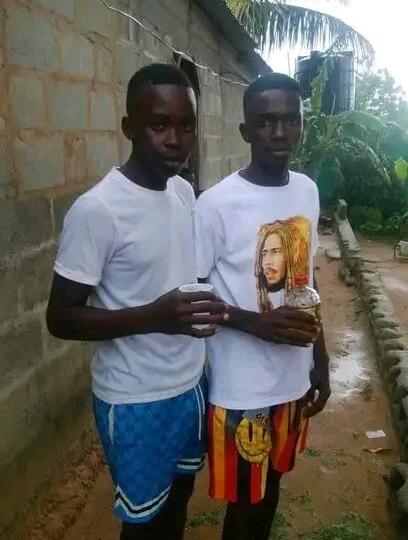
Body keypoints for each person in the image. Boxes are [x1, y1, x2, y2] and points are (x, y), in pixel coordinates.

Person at [46, 63, 227, 540]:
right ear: (129, 127)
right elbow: (61, 318)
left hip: (190, 384)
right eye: (159, 125)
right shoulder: (98, 210)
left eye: (186, 126)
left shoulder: (183, 192)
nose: (175, 140)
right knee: (144, 523)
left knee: (179, 500)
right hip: (135, 398)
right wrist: (154, 317)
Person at [193, 73, 331, 540]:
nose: (279, 132)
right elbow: (192, 295)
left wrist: (320, 360)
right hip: (240, 388)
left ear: (302, 125)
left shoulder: (307, 191)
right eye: (266, 121)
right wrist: (255, 323)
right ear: (245, 130)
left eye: (291, 120)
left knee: (272, 487)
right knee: (244, 505)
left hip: (292, 380)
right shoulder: (215, 205)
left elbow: (307, 278)